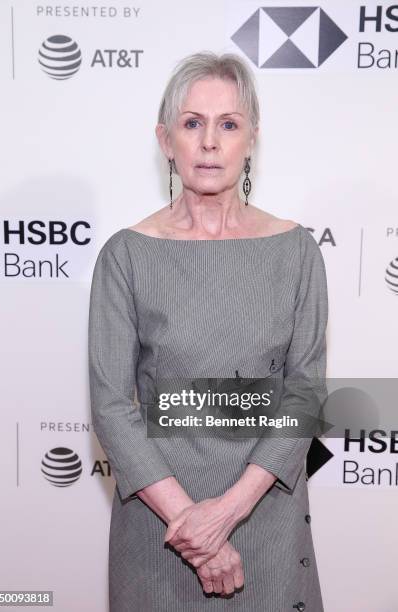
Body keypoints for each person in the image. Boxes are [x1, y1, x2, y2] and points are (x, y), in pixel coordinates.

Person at [88, 50, 328, 611]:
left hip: (265, 514)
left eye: (228, 124)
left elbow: (305, 392)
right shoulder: (126, 255)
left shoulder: (296, 252)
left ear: (252, 138)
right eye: (192, 123)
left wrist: (226, 513)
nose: (210, 141)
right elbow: (111, 405)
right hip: (160, 527)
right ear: (165, 139)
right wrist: (193, 528)